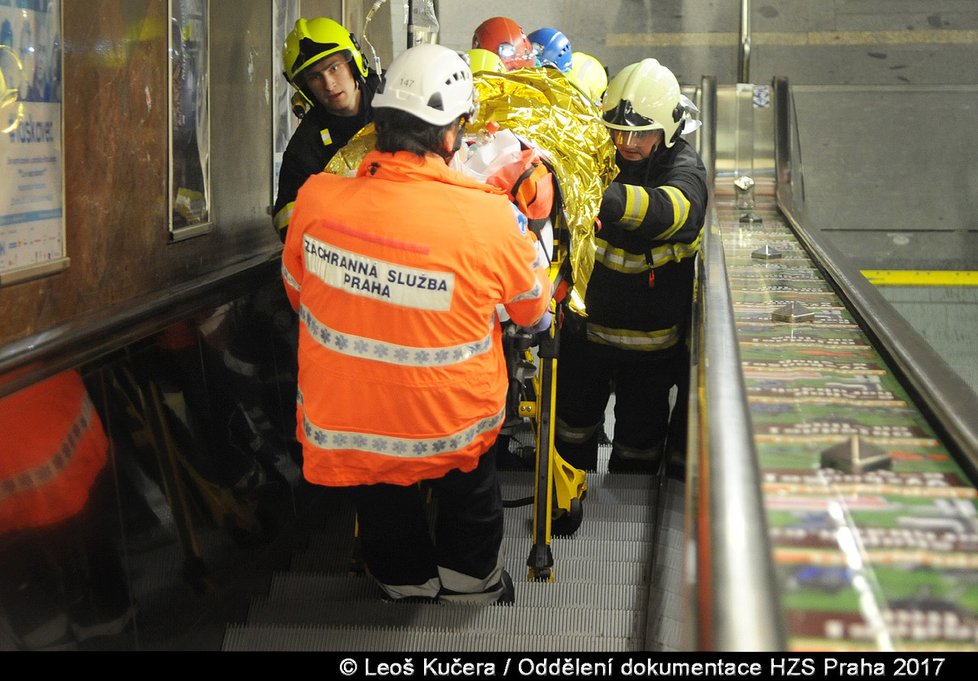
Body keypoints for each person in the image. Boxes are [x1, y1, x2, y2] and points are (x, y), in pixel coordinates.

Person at [281, 43, 552, 603]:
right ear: (450, 137)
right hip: (450, 422)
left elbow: (298, 292)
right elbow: (532, 308)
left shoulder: (314, 200)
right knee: (470, 481)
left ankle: (405, 584)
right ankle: (470, 584)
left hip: (349, 422)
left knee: (381, 490)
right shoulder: (486, 215)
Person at [554, 58, 707, 473]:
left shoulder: (684, 168)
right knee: (570, 435)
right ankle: (568, 504)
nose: (627, 142)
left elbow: (680, 211)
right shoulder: (596, 153)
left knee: (638, 450)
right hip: (585, 338)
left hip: (651, 352)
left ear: (669, 130)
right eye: (619, 130)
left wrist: (606, 198)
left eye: (641, 133)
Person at [273, 17, 381, 242]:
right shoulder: (305, 146)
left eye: (334, 68)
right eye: (315, 77)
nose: (329, 84)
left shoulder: (395, 98)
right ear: (304, 87)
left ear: (353, 63)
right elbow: (287, 220)